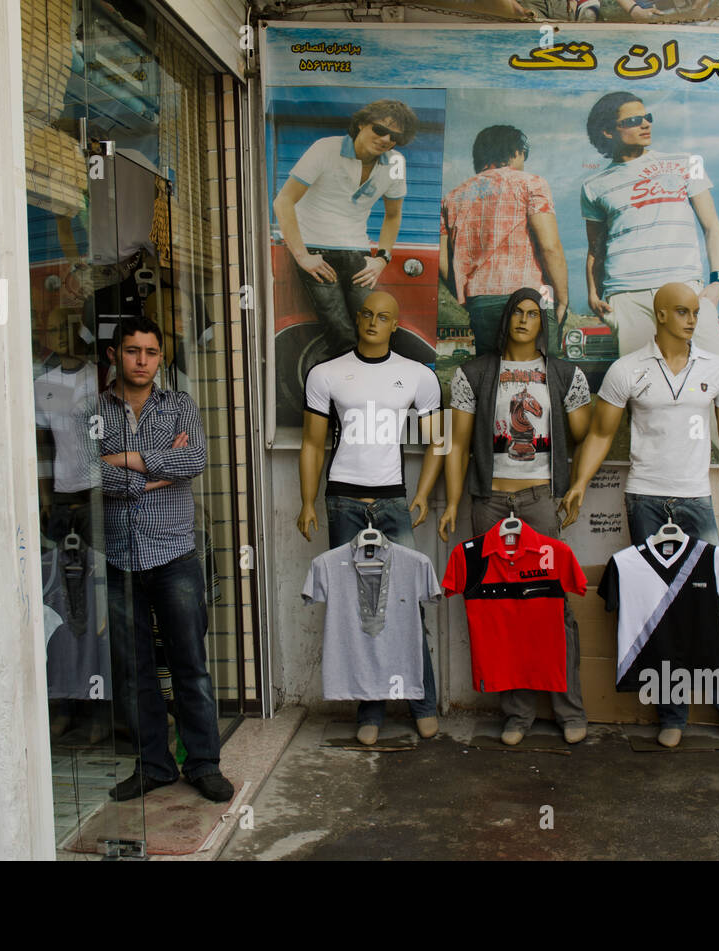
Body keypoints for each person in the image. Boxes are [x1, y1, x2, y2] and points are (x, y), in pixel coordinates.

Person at [560, 283, 719, 748]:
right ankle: (673, 714)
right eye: (682, 312)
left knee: (713, 604)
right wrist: (579, 484)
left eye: (695, 312)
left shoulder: (718, 370)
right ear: (661, 315)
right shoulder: (628, 370)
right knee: (660, 607)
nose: (691, 319)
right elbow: (602, 435)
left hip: (695, 500)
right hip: (645, 499)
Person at [439, 287, 592, 745]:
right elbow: (458, 445)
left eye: (533, 313)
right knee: (502, 610)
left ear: (543, 323)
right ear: (505, 320)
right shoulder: (476, 373)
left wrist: (575, 480)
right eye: (517, 313)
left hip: (540, 501)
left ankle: (569, 711)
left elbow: (586, 432)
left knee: (552, 608)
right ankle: (517, 714)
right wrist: (451, 501)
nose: (524, 320)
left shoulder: (563, 374)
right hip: (489, 502)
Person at [580, 91, 719, 465]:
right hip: (626, 297)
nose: (644, 124)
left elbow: (712, 226)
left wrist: (717, 281)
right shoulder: (594, 186)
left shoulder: (685, 164)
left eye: (646, 116)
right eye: (631, 120)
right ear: (607, 132)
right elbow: (595, 248)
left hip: (683, 291)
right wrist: (594, 294)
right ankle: (661, 483)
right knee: (646, 397)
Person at [298, 290, 445, 745]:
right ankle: (371, 710)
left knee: (407, 603)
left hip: (393, 502)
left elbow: (438, 442)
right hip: (343, 501)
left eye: (384, 316)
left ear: (395, 324)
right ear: (358, 318)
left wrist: (422, 493)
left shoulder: (417, 376)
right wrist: (307, 502)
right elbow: (311, 444)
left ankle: (423, 702)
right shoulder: (326, 374)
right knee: (358, 610)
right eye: (367, 314)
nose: (373, 322)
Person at [97, 315, 234, 803]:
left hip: (174, 553)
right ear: (115, 354)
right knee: (133, 672)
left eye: (151, 352)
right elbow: (83, 474)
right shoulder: (93, 412)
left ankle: (203, 763)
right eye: (132, 350)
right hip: (117, 558)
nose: (142, 360)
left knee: (189, 665)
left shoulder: (180, 406)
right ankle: (154, 765)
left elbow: (194, 461)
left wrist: (124, 461)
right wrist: (155, 468)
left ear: (161, 358)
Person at [273, 99, 418, 359]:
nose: (385, 139)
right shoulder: (325, 149)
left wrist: (382, 259)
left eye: (394, 136)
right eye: (379, 129)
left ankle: (376, 394)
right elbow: (283, 201)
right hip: (316, 249)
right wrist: (302, 255)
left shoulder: (396, 162)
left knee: (374, 330)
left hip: (357, 251)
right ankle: (350, 395)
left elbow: (393, 216)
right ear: (362, 123)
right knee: (341, 333)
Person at [440, 125, 569, 357]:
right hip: (532, 296)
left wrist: (469, 298)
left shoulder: (453, 197)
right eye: (524, 154)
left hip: (481, 299)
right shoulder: (532, 184)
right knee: (541, 376)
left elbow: (443, 263)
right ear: (517, 151)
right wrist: (562, 298)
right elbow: (550, 247)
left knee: (491, 376)